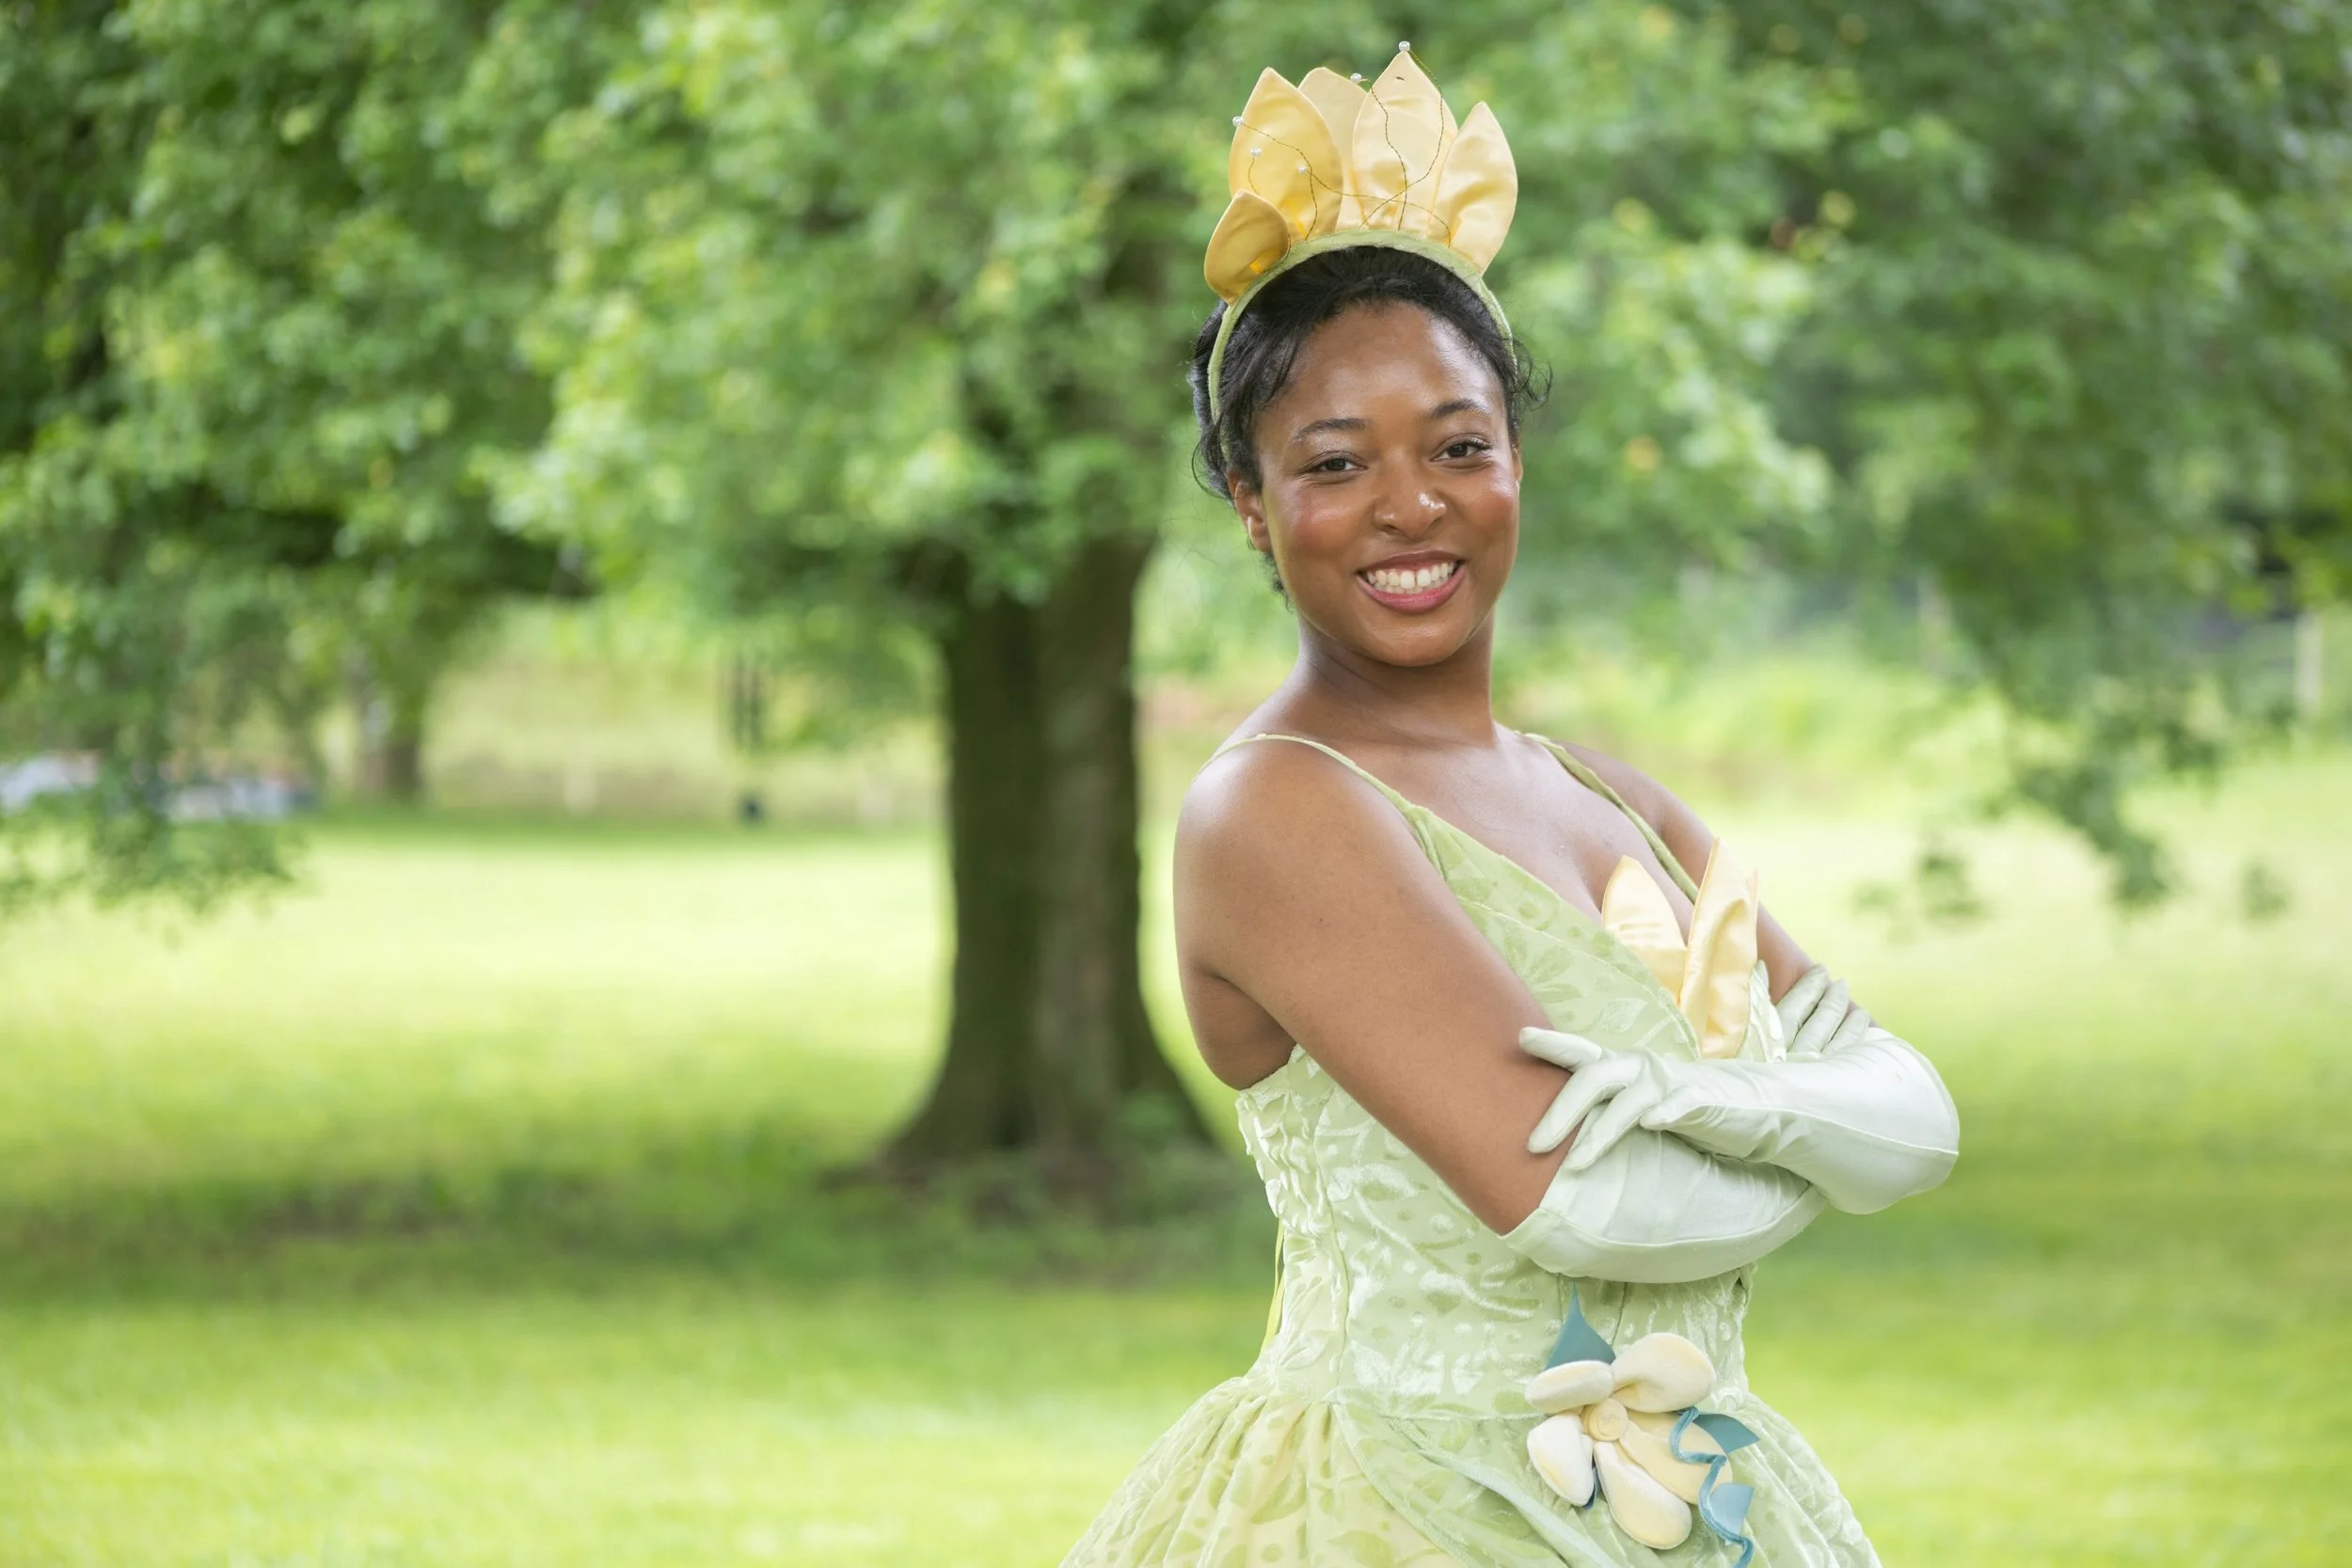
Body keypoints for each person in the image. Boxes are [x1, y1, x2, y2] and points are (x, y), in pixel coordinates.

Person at [1064, 48, 1960, 1568]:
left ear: (1516, 461)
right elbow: (1587, 1203)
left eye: (1458, 446)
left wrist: (1743, 1107)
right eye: (1335, 464)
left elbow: (1920, 1120)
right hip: (1397, 1506)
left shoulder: (1616, 800)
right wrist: (1811, 1139)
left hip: (1695, 1498)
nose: (1411, 505)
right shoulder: (1277, 812)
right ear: (1251, 505)